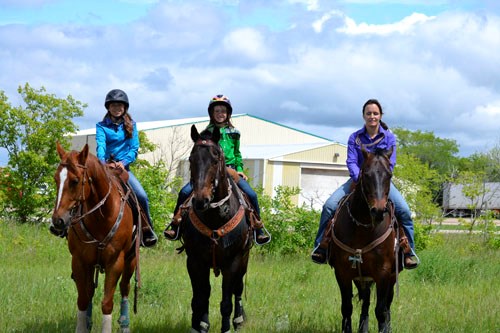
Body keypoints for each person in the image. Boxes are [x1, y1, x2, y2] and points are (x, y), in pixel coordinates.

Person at [311, 98, 419, 269]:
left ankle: (408, 251)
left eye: (375, 113)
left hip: (380, 183)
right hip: (358, 181)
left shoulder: (389, 137)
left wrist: (378, 178)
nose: (372, 116)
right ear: (363, 116)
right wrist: (359, 179)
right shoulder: (355, 138)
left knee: (404, 210)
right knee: (329, 206)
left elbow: (390, 163)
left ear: (380, 115)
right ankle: (321, 247)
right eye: (368, 113)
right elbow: (351, 161)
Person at [164, 94, 271, 245]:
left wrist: (239, 169)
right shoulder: (206, 133)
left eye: (223, 111)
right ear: (211, 114)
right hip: (211, 171)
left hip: (231, 170)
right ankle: (176, 225)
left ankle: (258, 228)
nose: (220, 114)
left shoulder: (235, 133)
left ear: (228, 114)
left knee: (251, 195)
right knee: (184, 192)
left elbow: (237, 153)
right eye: (217, 111)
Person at [96, 89, 158, 247]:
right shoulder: (101, 126)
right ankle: (69, 227)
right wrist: (103, 163)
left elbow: (133, 149)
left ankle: (147, 230)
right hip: (106, 168)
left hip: (124, 169)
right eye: (113, 105)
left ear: (125, 108)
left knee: (142, 196)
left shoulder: (132, 125)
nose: (117, 108)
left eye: (120, 105)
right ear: (108, 107)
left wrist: (122, 163)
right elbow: (101, 146)